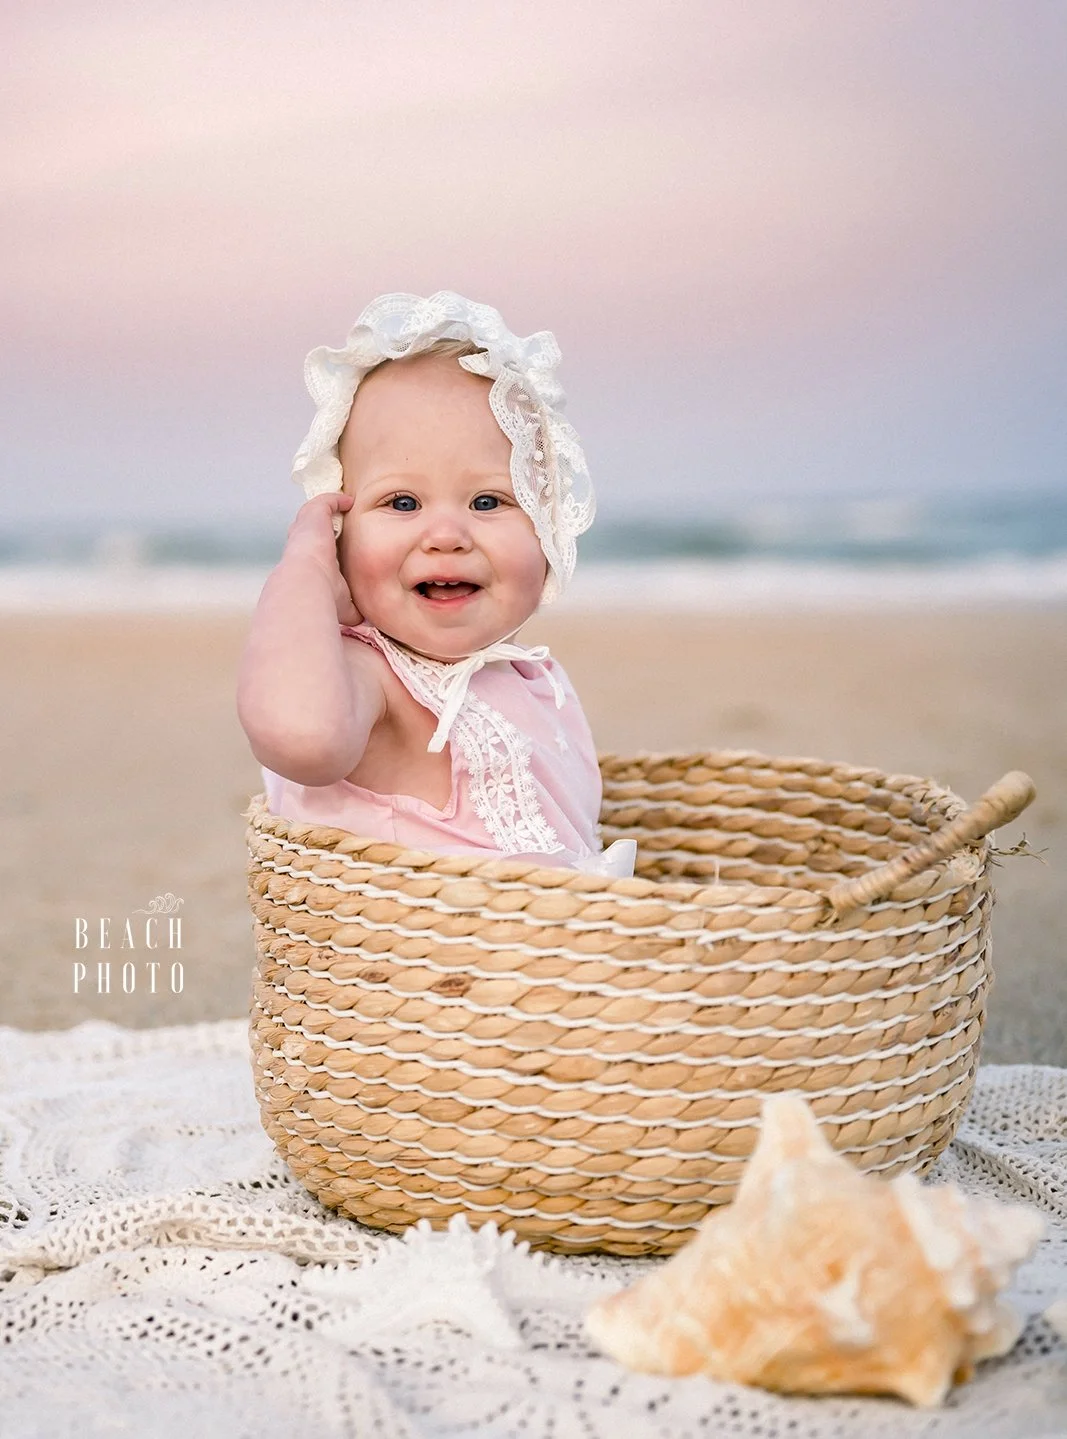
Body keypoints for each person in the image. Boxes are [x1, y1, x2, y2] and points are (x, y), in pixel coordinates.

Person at [237, 290, 636, 878]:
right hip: (417, 961)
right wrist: (304, 572)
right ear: (343, 533)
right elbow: (300, 736)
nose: (447, 534)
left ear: (548, 532)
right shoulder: (369, 676)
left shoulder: (534, 681)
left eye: (488, 500)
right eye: (402, 502)